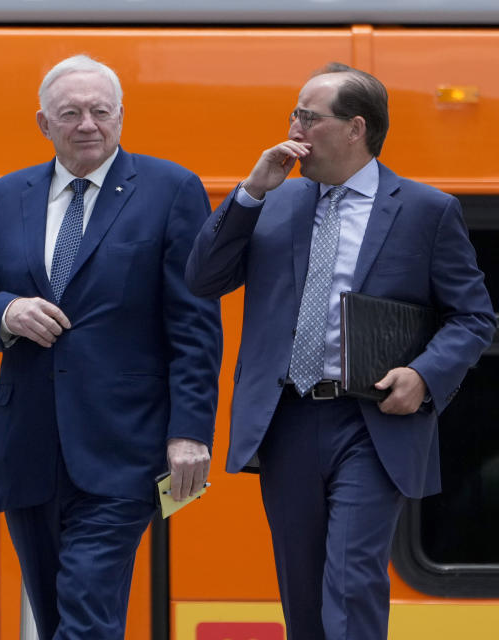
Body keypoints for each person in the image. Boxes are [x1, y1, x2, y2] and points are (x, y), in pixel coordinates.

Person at [186, 63, 495, 639]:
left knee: (352, 583)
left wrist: (425, 376)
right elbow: (203, 278)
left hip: (372, 422)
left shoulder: (427, 211)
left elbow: (473, 316)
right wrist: (250, 192)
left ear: (355, 128)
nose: (293, 127)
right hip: (287, 421)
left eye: (308, 115)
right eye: (293, 113)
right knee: (302, 596)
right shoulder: (272, 202)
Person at [0, 54, 222, 639]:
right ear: (44, 124)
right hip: (29, 449)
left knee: (87, 612)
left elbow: (195, 324)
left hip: (125, 447)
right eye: (70, 113)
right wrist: (7, 311)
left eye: (101, 111)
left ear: (122, 116)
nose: (88, 124)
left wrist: (190, 431)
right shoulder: (0, 199)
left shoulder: (172, 191)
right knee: (57, 619)